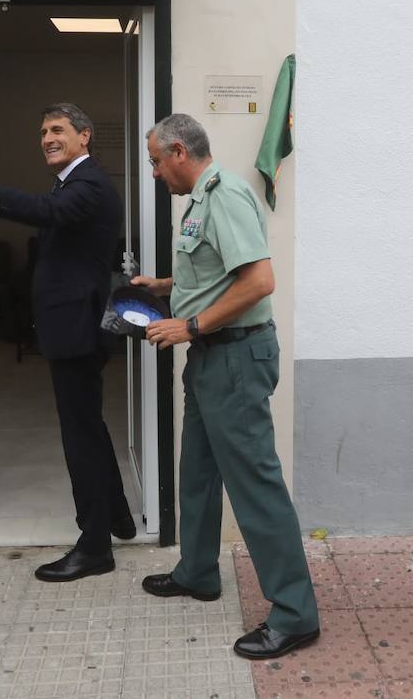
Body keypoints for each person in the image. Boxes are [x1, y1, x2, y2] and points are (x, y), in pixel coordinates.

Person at [0, 102, 135, 582]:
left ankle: (95, 546)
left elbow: (45, 212)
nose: (47, 138)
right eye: (43, 132)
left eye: (57, 129)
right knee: (89, 427)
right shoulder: (72, 181)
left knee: (80, 437)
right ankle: (116, 515)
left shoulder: (88, 184)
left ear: (84, 136)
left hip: (77, 329)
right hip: (73, 326)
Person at [131, 113, 320, 661]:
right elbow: (218, 270)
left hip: (235, 357)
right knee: (197, 472)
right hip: (212, 358)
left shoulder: (226, 195)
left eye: (155, 161)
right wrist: (167, 285)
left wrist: (188, 325)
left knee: (255, 487)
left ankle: (295, 614)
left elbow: (259, 281)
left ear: (179, 153)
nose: (154, 172)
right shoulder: (200, 201)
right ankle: (197, 571)